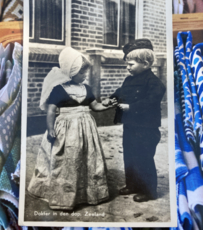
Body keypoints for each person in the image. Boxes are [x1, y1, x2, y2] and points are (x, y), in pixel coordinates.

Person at [27, 47, 116, 211]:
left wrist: (106, 105)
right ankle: (64, 195)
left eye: (85, 73)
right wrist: (50, 128)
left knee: (86, 157)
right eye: (81, 73)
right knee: (66, 158)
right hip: (66, 128)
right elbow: (51, 110)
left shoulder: (87, 89)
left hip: (86, 127)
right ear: (70, 72)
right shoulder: (59, 89)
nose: (84, 76)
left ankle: (87, 192)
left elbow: (94, 106)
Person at [102, 39, 166, 202]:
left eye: (131, 64)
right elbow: (120, 92)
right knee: (130, 156)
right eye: (127, 64)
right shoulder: (129, 80)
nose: (128, 67)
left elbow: (152, 100)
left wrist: (132, 107)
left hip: (147, 127)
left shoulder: (154, 83)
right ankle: (132, 184)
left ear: (145, 63)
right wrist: (111, 99)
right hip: (131, 125)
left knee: (143, 157)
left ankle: (149, 191)